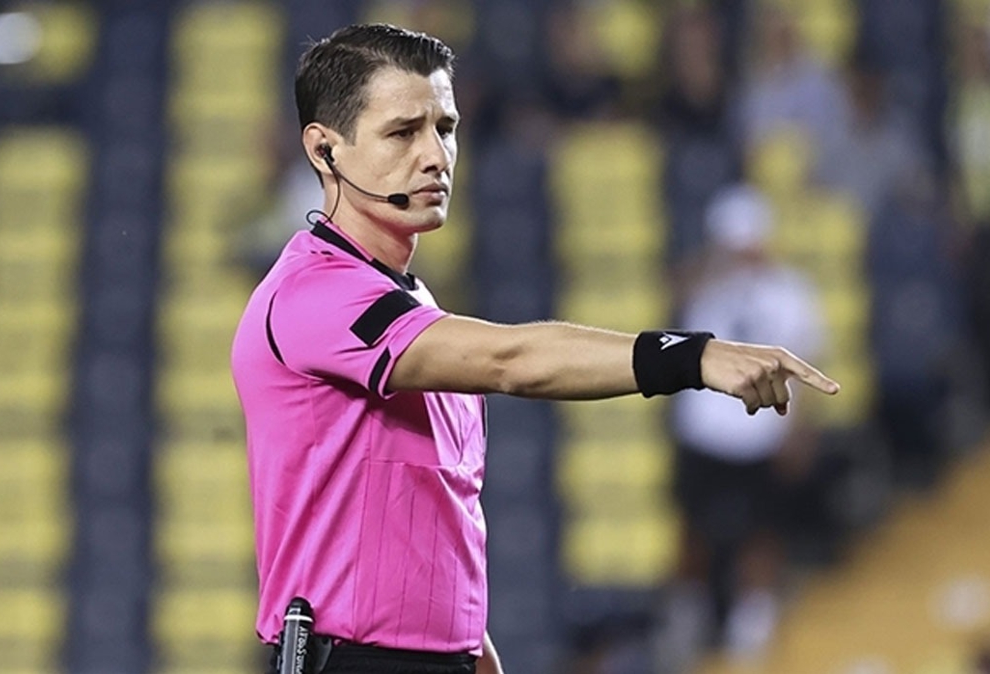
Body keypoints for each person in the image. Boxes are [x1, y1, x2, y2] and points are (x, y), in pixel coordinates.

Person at [229, 23, 840, 674]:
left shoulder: (408, 304)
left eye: (446, 128)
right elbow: (511, 360)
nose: (436, 155)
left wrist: (474, 652)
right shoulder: (314, 293)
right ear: (325, 150)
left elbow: (432, 518)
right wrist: (691, 357)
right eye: (403, 132)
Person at [654, 185, 828, 670]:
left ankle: (752, 623)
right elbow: (670, 297)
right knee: (693, 529)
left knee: (762, 532)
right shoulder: (705, 284)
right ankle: (689, 615)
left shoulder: (791, 292)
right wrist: (717, 268)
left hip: (761, 432)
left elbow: (807, 363)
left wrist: (800, 430)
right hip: (705, 431)